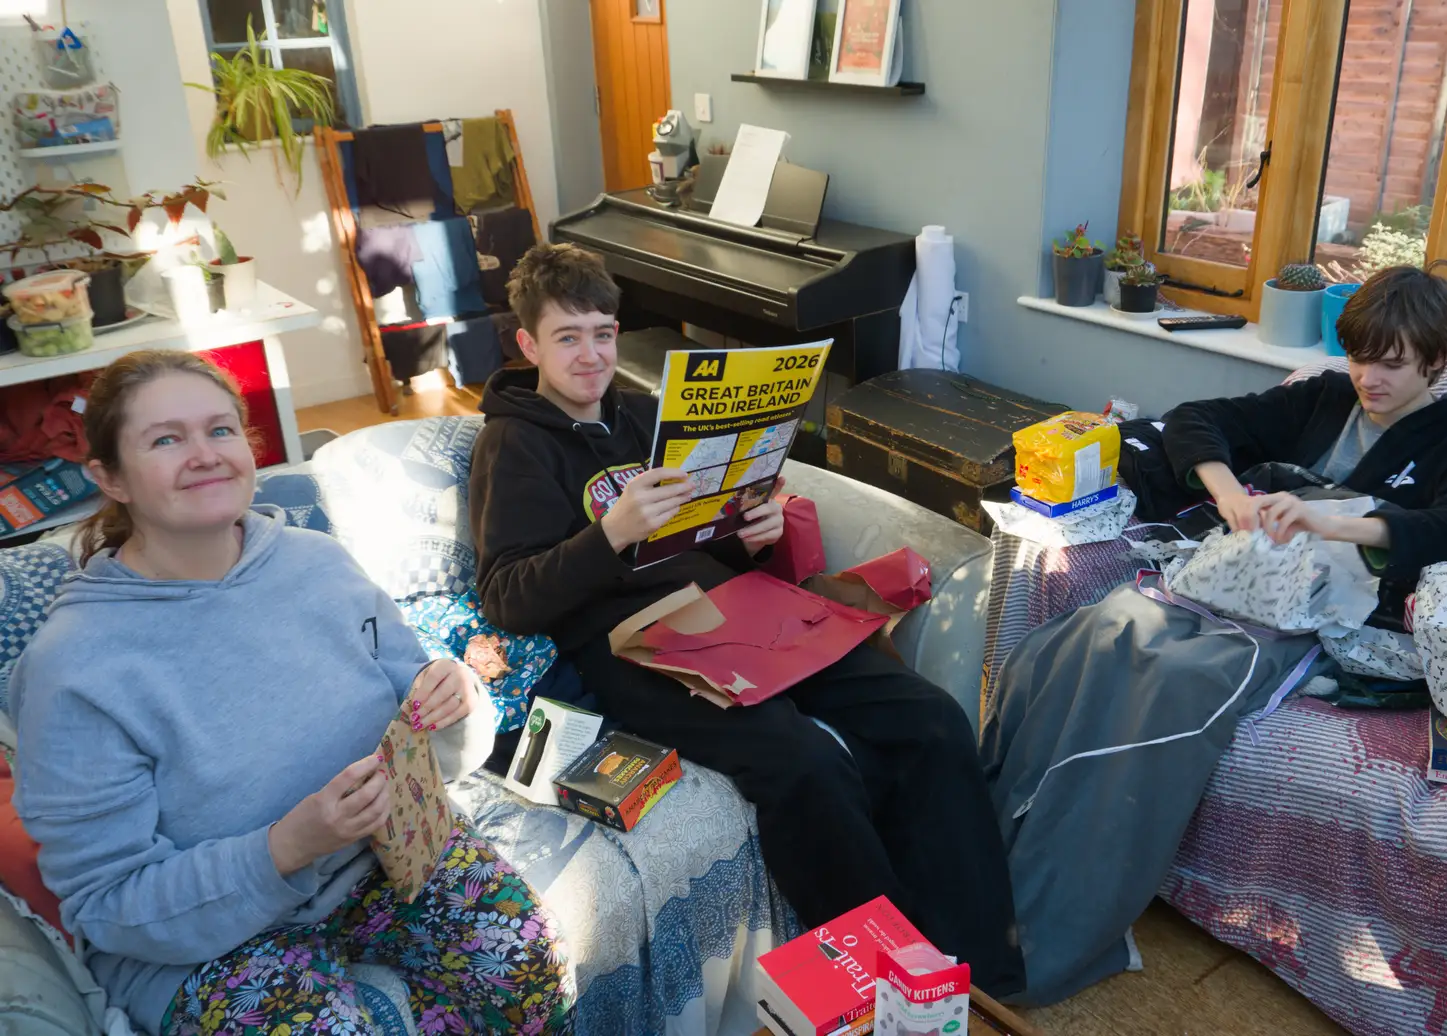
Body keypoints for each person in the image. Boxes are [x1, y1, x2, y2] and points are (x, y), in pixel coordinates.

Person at [468, 243, 1026, 994]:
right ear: (529, 343)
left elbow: (709, 534)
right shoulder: (513, 445)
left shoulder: (642, 415)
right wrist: (609, 536)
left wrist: (753, 534)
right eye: (568, 337)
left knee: (929, 718)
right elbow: (506, 592)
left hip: (738, 612)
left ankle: (976, 971)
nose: (593, 354)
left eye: (604, 332)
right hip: (635, 649)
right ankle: (883, 992)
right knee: (804, 765)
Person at [981, 264, 1447, 1004]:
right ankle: (982, 864)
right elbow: (1199, 418)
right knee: (1085, 639)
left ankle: (1049, 924)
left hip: (1318, 619)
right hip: (1227, 584)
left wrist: (1331, 520)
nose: (1368, 378)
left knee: (1175, 686)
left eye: (1390, 365)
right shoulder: (1324, 398)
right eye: (1359, 357)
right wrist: (1229, 493)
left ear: (1437, 361)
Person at [7, 351, 571, 1036]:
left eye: (220, 430)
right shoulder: (74, 668)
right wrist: (284, 847)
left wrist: (453, 702)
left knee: (525, 963)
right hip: (205, 943)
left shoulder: (319, 563)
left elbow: (430, 743)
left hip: (385, 860)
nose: (205, 455)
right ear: (109, 477)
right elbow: (107, 903)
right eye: (165, 439)